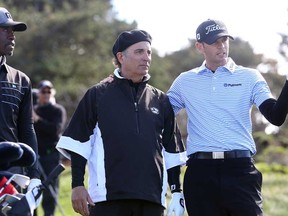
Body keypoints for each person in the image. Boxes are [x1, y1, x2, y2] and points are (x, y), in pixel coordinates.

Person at [56, 29, 187, 216]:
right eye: (139, 52)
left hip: (151, 199)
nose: (146, 58)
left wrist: (176, 192)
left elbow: (172, 151)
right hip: (107, 199)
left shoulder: (161, 100)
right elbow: (79, 144)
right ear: (121, 57)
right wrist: (77, 185)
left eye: (148, 52)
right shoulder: (97, 95)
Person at [167, 19, 288, 216]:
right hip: (200, 173)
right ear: (200, 46)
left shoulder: (250, 77)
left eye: (224, 40)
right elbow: (158, 115)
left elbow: (275, 116)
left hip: (240, 171)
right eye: (215, 42)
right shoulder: (184, 81)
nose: (222, 46)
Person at [0, 6, 42, 208]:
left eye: (13, 31)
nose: (12, 36)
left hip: (11, 174)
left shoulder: (21, 80)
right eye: (5, 29)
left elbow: (27, 128)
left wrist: (34, 175)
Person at [33, 80, 67, 216]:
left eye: (49, 91)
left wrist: (38, 120)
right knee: (32, 192)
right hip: (35, 158)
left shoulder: (57, 110)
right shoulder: (33, 110)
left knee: (50, 194)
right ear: (38, 93)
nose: (46, 94)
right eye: (43, 91)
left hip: (50, 156)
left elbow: (55, 130)